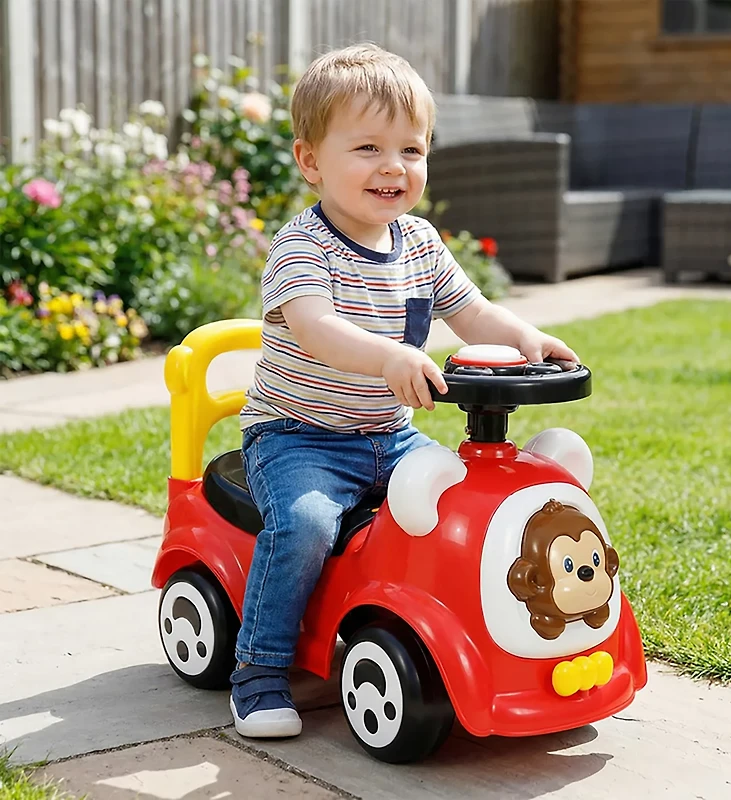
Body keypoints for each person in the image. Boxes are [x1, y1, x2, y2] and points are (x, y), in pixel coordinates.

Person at [231, 43, 579, 739]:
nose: (393, 167)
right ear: (311, 162)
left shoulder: (418, 242)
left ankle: (464, 631)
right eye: (367, 147)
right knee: (305, 525)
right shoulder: (303, 248)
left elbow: (472, 311)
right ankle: (259, 671)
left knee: (463, 506)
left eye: (411, 150)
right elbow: (317, 329)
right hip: (298, 434)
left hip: (387, 435)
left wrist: (525, 339)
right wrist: (390, 357)